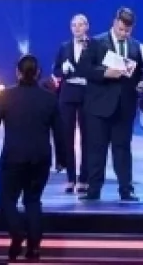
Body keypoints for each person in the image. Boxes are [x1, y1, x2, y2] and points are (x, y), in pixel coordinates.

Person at [0, 54, 63, 262]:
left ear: (18, 73)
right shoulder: (49, 98)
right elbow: (60, 132)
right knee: (33, 201)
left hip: (13, 158)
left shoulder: (8, 96)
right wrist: (62, 159)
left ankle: (17, 233)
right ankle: (34, 248)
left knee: (6, 200)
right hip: (40, 158)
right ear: (38, 73)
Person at [78, 7, 143, 202]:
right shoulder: (97, 42)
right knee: (96, 150)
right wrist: (104, 73)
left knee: (122, 149)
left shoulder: (135, 46)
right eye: (121, 29)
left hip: (124, 107)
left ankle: (126, 189)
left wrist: (142, 81)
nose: (124, 33)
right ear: (115, 22)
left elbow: (142, 71)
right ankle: (93, 190)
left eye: (128, 30)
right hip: (98, 107)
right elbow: (83, 68)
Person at [51, 13, 90, 193]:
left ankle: (84, 178)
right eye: (74, 25)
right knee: (67, 136)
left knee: (87, 137)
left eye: (80, 25)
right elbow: (56, 70)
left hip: (86, 95)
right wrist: (63, 70)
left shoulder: (94, 45)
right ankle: (70, 178)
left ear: (86, 27)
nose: (77, 28)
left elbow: (99, 67)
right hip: (67, 96)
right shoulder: (64, 46)